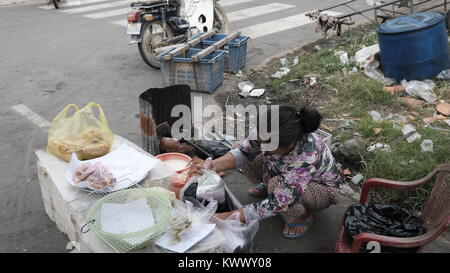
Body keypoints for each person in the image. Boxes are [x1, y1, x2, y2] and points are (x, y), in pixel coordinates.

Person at [189, 105, 342, 238]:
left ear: (288, 146)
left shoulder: (305, 158)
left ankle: (301, 216)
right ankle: (271, 185)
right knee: (252, 153)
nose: (262, 146)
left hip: (321, 189)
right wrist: (214, 165)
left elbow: (276, 204)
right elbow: (244, 151)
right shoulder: (269, 130)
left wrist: (224, 217)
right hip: (289, 174)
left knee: (278, 188)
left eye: (268, 145)